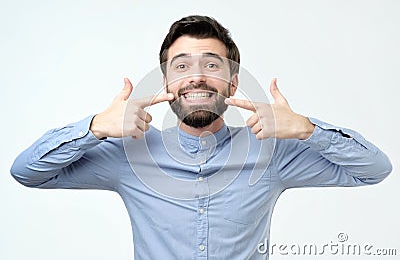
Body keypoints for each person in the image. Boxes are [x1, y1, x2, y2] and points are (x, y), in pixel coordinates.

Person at [11, 15, 392, 259]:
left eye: (212, 64)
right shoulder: (129, 154)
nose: (196, 77)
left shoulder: (271, 152)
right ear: (167, 83)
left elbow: (374, 170)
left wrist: (308, 129)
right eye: (181, 67)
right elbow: (27, 172)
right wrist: (93, 127)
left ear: (232, 82)